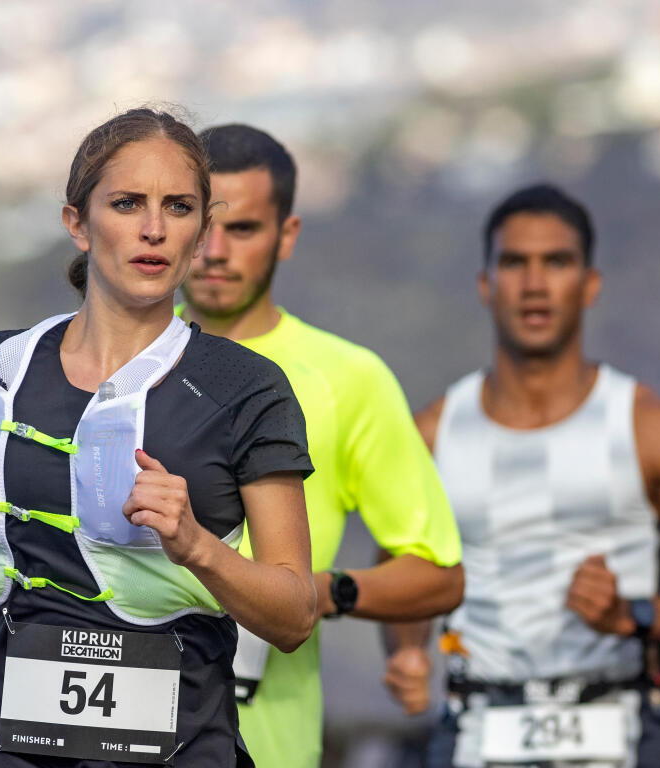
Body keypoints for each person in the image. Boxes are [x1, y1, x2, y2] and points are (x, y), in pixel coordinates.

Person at [0, 108, 319, 767]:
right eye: (126, 203)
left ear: (201, 233)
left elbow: (294, 615)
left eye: (178, 207)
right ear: (77, 223)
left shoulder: (245, 387)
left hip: (175, 750)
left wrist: (196, 544)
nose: (153, 228)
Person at [388, 183, 660, 767]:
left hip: (624, 728)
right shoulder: (431, 435)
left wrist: (635, 614)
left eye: (557, 262)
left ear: (590, 284)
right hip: (473, 732)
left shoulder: (656, 430)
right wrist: (408, 652)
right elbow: (404, 581)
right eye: (515, 263)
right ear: (485, 284)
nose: (535, 284)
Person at [180, 123, 465, 768]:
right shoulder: (118, 358)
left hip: (268, 749)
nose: (215, 251)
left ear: (288, 235)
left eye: (244, 229)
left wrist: (317, 592)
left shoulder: (347, 379)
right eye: (200, 224)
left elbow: (439, 572)